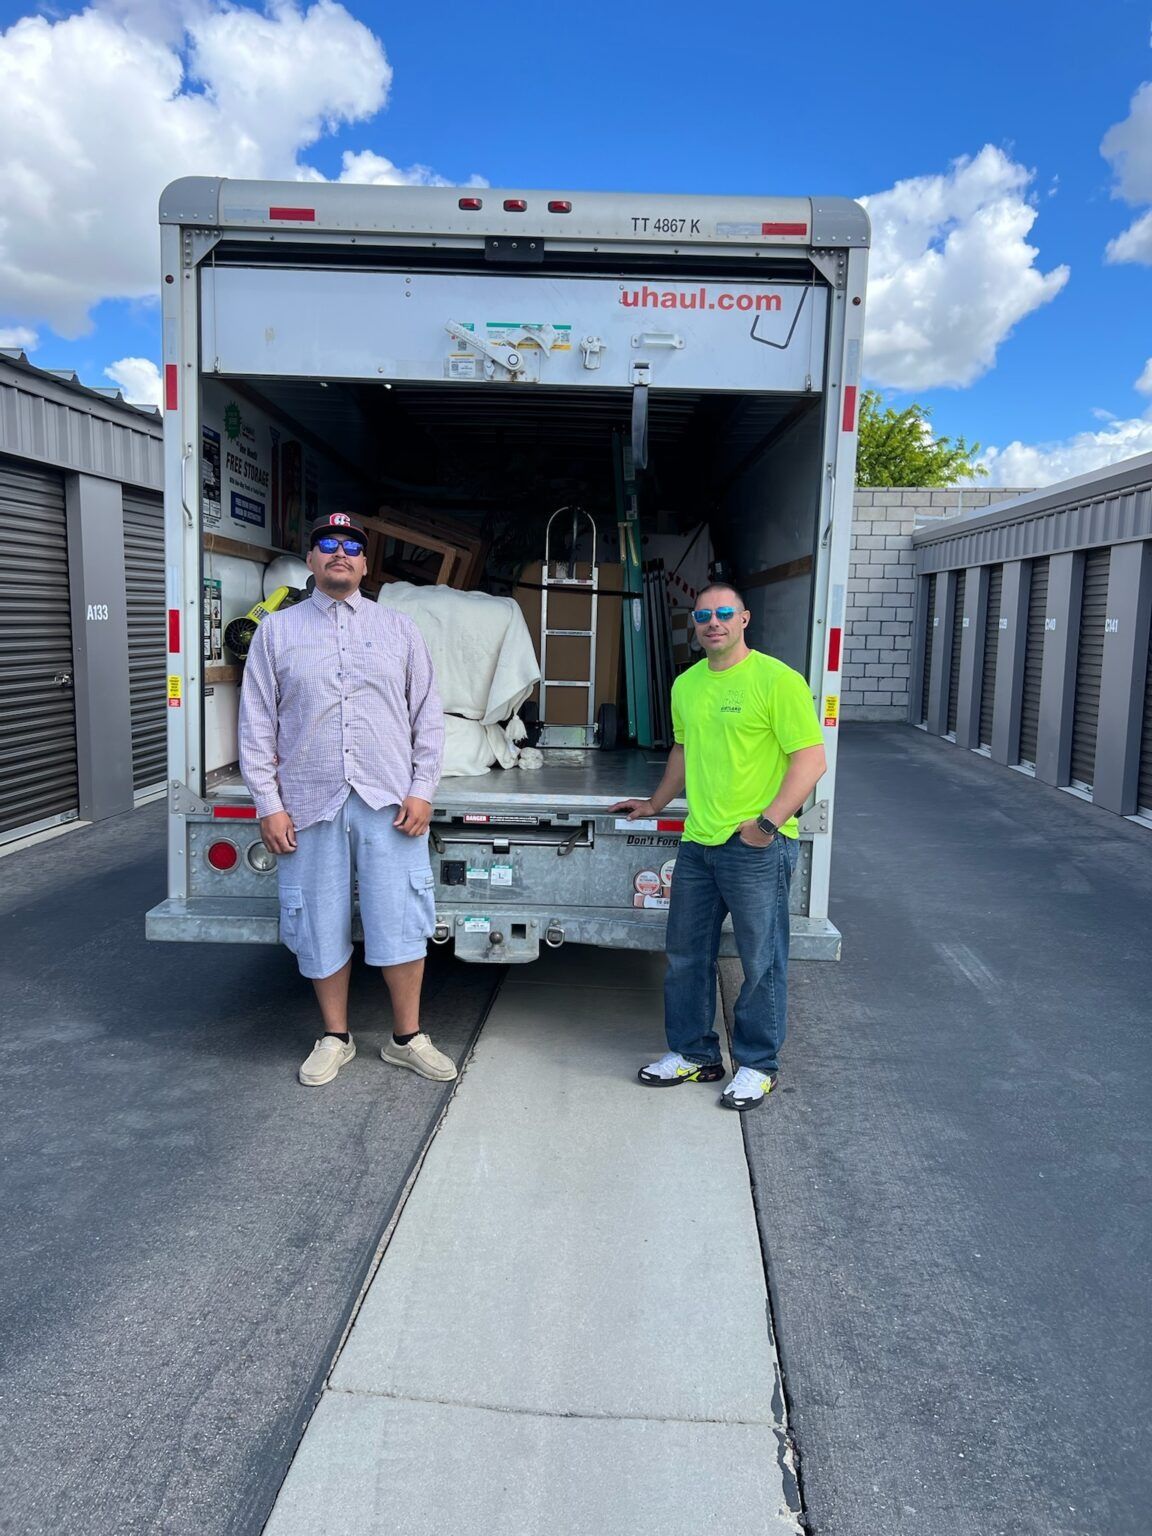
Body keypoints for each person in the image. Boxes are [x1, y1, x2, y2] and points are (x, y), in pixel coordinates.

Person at [238, 512, 455, 1088]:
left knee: (402, 917)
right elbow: (257, 722)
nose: (340, 553)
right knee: (317, 918)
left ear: (364, 564)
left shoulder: (399, 630)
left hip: (388, 800)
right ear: (310, 561)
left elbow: (425, 715)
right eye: (327, 544)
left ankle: (406, 1039)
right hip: (307, 801)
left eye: (352, 546)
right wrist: (268, 802)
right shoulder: (275, 634)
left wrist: (421, 788)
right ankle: (335, 1036)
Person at [611, 583, 827, 1111]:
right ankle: (694, 1055)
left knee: (761, 962)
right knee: (686, 956)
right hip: (698, 844)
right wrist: (658, 803)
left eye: (725, 613)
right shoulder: (687, 684)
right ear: (695, 622)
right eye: (704, 614)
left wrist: (766, 826)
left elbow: (811, 761)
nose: (714, 622)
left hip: (755, 849)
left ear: (744, 618)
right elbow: (684, 749)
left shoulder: (777, 680)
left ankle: (757, 1065)